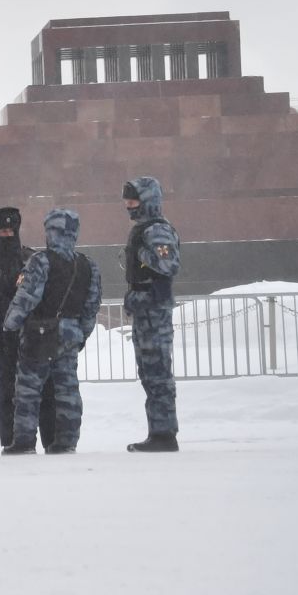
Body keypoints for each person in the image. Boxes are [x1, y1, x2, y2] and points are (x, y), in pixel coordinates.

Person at [0, 207, 100, 455]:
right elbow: (91, 305)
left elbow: (27, 298)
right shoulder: (87, 265)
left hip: (39, 334)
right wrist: (81, 333)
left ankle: (23, 441)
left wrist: (10, 325)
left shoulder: (40, 261)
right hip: (70, 333)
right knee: (67, 390)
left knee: (29, 390)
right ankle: (66, 441)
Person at [0, 207, 57, 450]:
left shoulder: (31, 259)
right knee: (9, 390)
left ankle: (54, 441)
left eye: (11, 230)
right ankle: (13, 441)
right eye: (2, 230)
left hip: (37, 337)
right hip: (6, 341)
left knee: (47, 389)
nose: (8, 235)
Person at [122, 175, 183, 453]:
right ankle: (158, 431)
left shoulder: (156, 230)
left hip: (154, 312)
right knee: (149, 373)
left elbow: (167, 263)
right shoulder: (145, 229)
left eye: (133, 201)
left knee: (158, 373)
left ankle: (164, 435)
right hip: (145, 310)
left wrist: (141, 254)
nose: (129, 206)